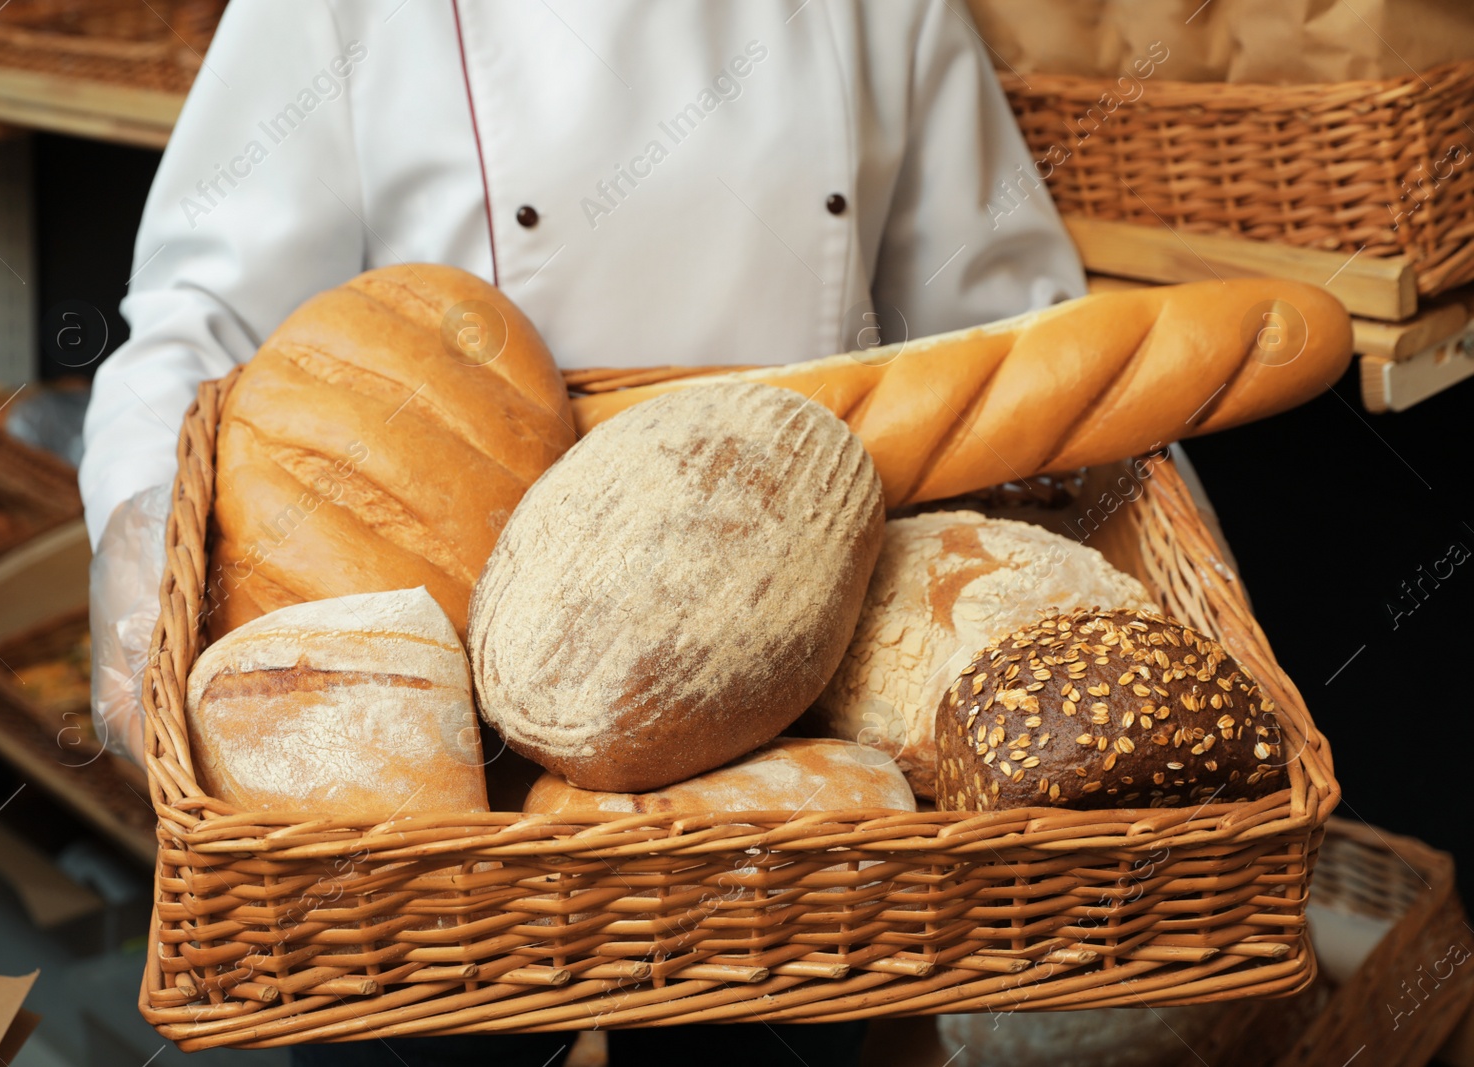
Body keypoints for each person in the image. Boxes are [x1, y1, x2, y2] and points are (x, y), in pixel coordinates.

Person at [83, 2, 1083, 1062]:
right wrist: (142, 521)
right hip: (427, 731)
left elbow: (1014, 338)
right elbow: (200, 318)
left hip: (798, 715)